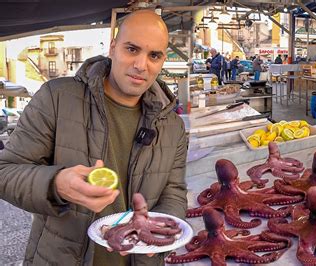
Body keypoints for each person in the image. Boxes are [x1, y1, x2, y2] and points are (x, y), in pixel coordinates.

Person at [0, 10, 188, 266]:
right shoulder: (56, 98)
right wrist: (56, 184)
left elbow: (174, 193)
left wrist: (158, 236)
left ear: (162, 60)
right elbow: (5, 171)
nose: (141, 65)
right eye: (132, 49)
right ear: (112, 47)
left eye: (153, 55)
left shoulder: (173, 126)